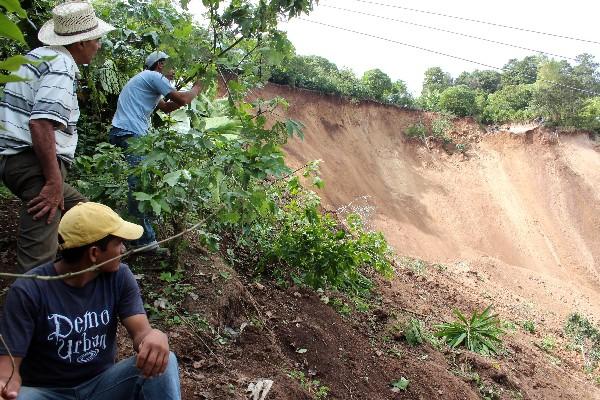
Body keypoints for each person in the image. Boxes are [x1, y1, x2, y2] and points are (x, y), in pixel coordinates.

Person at [0, 202, 181, 400]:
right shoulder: (28, 291)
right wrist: (6, 386)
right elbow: (8, 368)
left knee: (165, 361)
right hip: (47, 393)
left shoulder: (120, 276)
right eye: (118, 242)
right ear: (95, 253)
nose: (123, 249)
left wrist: (154, 337)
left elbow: (141, 333)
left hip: (102, 387)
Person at [0, 1, 115, 271]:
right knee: (37, 262)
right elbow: (40, 122)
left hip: (16, 162)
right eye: (96, 39)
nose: (98, 46)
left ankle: (79, 283)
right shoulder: (61, 64)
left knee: (92, 220)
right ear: (81, 43)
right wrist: (52, 182)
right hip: (34, 166)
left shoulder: (38, 56)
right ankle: (31, 306)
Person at [109, 51, 202, 254]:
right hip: (131, 133)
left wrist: (182, 94)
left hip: (123, 131)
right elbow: (184, 100)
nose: (174, 69)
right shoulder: (153, 77)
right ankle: (144, 241)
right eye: (170, 64)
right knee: (139, 185)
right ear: (160, 65)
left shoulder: (146, 81)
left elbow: (167, 107)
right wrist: (197, 87)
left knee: (139, 182)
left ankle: (134, 231)